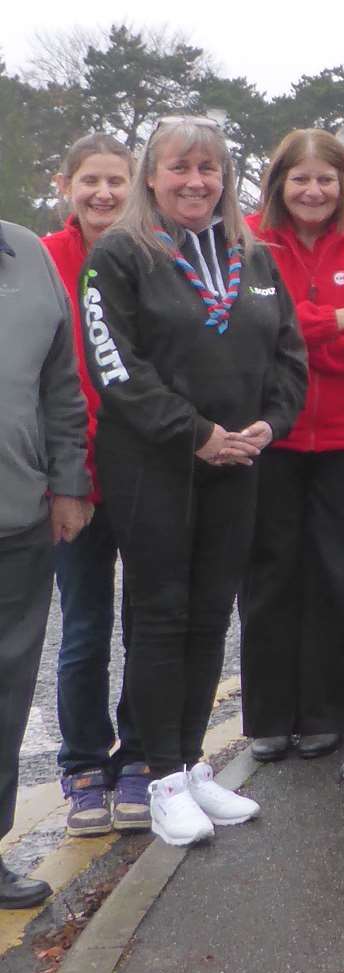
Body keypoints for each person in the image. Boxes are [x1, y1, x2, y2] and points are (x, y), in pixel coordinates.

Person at [82, 116, 303, 845]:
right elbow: (117, 369)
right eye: (180, 168)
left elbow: (289, 360)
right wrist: (197, 434)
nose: (195, 182)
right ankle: (159, 777)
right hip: (154, 465)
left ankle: (190, 763)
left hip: (237, 462)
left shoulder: (255, 257)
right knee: (162, 615)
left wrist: (268, 426)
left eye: (209, 169)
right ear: (152, 175)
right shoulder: (118, 254)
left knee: (212, 614)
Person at [241, 131, 344, 763]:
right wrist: (337, 318)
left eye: (326, 179)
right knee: (270, 575)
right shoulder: (250, 239)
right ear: (280, 180)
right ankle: (268, 718)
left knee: (339, 575)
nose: (313, 191)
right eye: (300, 179)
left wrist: (292, 335)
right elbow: (246, 335)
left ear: (343, 185)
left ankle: (325, 716)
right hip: (271, 434)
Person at [41, 135, 144, 836]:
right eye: (90, 181)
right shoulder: (40, 261)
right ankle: (82, 762)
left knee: (148, 623)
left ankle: (138, 757)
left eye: (116, 180)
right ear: (66, 185)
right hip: (73, 477)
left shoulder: (151, 254)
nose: (103, 193)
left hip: (145, 472)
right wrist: (60, 477)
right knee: (83, 627)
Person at [0, 216, 89, 905]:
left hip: (16, 520)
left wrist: (68, 483)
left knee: (5, 695)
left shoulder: (28, 256)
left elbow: (62, 384)